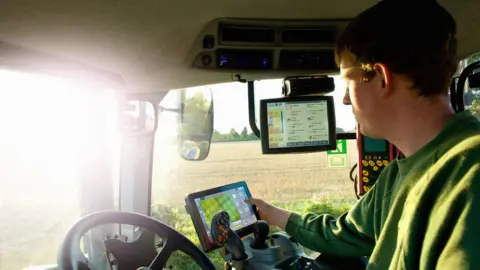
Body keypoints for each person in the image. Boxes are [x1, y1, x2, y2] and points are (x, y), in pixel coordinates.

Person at [246, 0, 480, 269]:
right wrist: (275, 214)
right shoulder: (399, 174)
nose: (345, 100)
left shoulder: (470, 176)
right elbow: (348, 233)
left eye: (348, 81)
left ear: (381, 77)